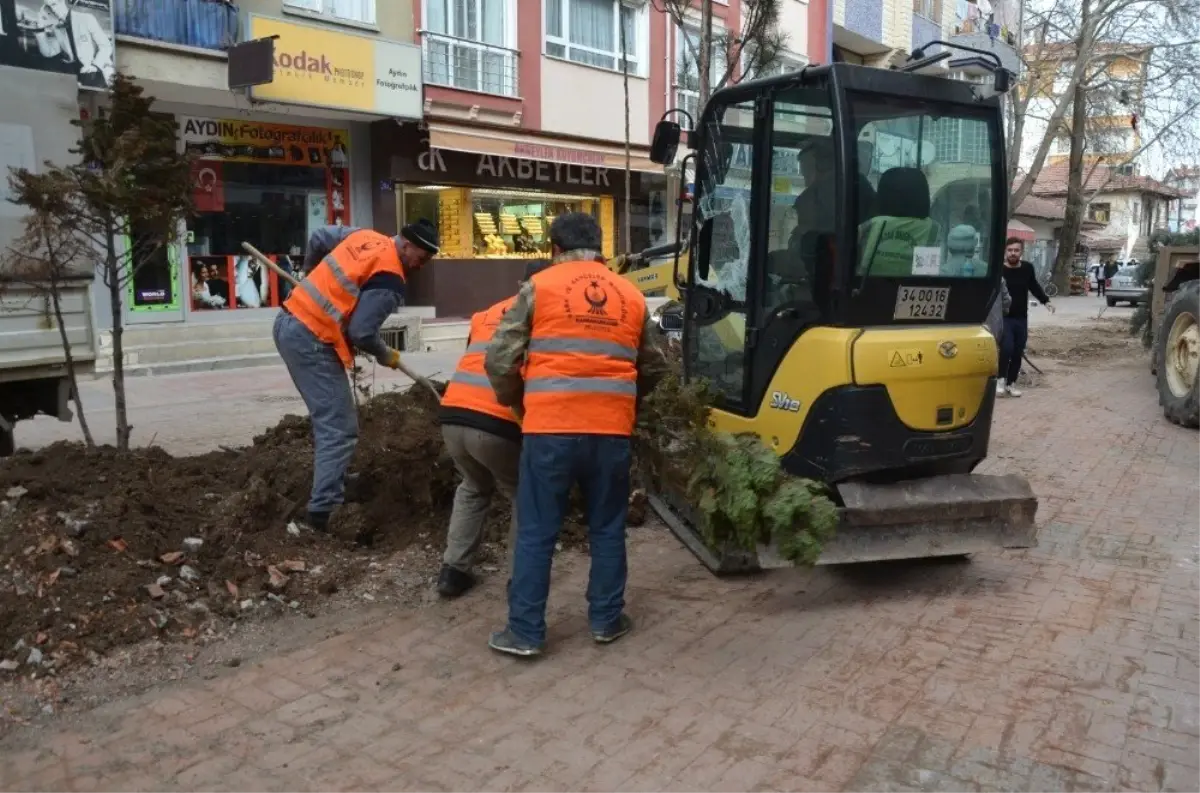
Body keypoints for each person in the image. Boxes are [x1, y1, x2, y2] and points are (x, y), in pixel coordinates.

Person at [483, 212, 669, 657]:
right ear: (600, 248)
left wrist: (519, 402)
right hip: (611, 432)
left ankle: (526, 633)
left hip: (550, 430)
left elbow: (499, 359)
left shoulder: (539, 287)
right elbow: (657, 364)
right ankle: (606, 621)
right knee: (607, 528)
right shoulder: (630, 294)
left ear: (555, 249)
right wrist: (625, 402)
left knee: (537, 532)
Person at [274, 220, 439, 532]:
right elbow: (362, 332)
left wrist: (309, 271)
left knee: (334, 419)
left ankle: (333, 480)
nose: (421, 265)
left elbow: (320, 236)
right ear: (405, 244)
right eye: (421, 258)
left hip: (289, 321)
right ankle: (325, 509)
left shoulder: (364, 236)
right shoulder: (391, 279)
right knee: (339, 427)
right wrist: (385, 354)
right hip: (311, 339)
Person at [435, 260, 548, 598]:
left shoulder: (485, 314)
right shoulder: (543, 318)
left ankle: (453, 572)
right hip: (496, 423)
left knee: (473, 486)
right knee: (525, 495)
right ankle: (521, 578)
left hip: (454, 415)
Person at [998, 237, 1055, 398]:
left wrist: (1046, 301)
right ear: (1005, 252)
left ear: (1021, 252)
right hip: (1004, 317)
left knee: (1018, 351)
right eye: (1010, 250)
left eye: (1016, 250)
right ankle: (1001, 381)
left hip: (1021, 317)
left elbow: (1034, 286)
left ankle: (1011, 383)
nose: (1013, 253)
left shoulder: (1027, 268)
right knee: (1007, 348)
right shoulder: (998, 270)